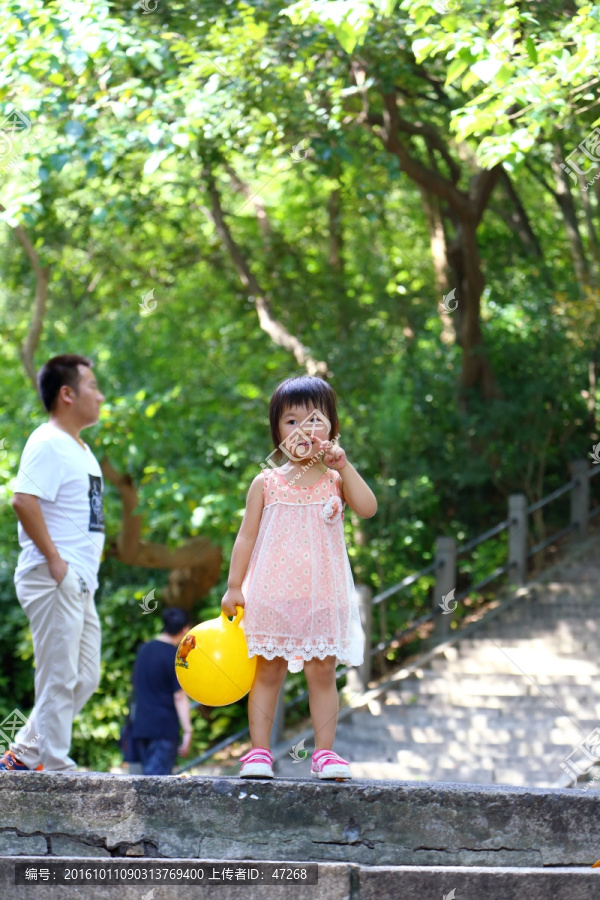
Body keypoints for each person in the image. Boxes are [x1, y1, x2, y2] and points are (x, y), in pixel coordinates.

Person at [221, 375, 377, 779]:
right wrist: (235, 585)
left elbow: (369, 508)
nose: (303, 430)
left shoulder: (336, 481)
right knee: (267, 670)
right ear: (277, 431)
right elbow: (246, 536)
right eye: (291, 422)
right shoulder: (266, 482)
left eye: (314, 420)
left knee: (322, 672)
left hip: (323, 596)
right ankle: (258, 753)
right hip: (271, 595)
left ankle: (324, 753)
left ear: (332, 429)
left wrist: (345, 465)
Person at [2, 354, 106, 772]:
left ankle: (23, 755)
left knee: (85, 676)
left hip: (80, 581)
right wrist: (55, 561)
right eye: (93, 386)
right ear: (67, 394)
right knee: (59, 675)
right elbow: (23, 499)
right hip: (55, 577)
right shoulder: (47, 442)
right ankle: (56, 766)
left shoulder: (80, 448)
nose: (100, 396)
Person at [131, 607, 193, 775]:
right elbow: (179, 696)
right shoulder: (177, 656)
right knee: (156, 787)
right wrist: (188, 730)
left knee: (147, 780)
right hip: (164, 729)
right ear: (185, 629)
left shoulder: (143, 650)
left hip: (141, 725)